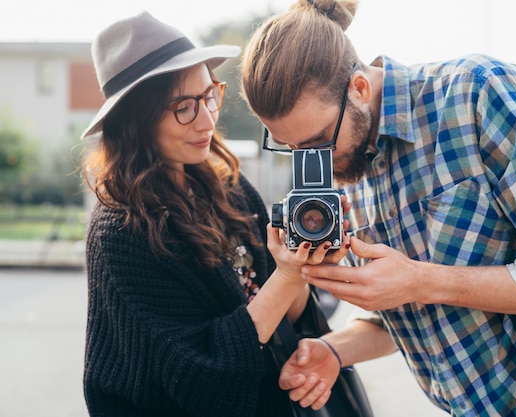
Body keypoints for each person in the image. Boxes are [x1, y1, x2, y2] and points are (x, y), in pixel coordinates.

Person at [240, 0, 516, 415]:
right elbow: (413, 313)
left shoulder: (480, 92)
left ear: (359, 88)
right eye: (289, 148)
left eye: (316, 143)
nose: (310, 162)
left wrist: (421, 281)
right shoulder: (348, 169)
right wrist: (334, 351)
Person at [80, 11, 350, 417]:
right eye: (183, 107)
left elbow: (289, 315)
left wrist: (307, 263)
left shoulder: (230, 189)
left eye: (209, 96)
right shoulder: (120, 231)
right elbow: (196, 375)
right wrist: (288, 277)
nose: (207, 119)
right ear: (136, 119)